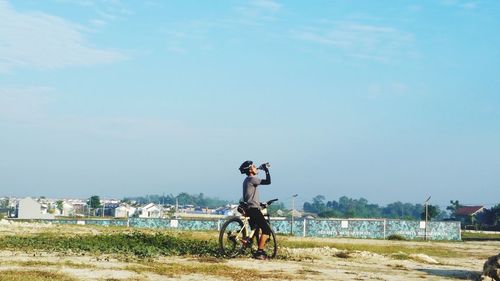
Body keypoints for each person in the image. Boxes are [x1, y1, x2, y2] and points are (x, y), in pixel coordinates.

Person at [239, 160, 271, 260]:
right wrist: (266, 170)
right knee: (266, 230)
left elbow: (250, 196)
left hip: (249, 207)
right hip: (253, 209)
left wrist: (259, 203)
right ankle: (259, 252)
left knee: (255, 229)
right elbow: (268, 181)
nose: (255, 167)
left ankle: (247, 241)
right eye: (253, 166)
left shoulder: (247, 180)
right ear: (250, 170)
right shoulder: (252, 179)